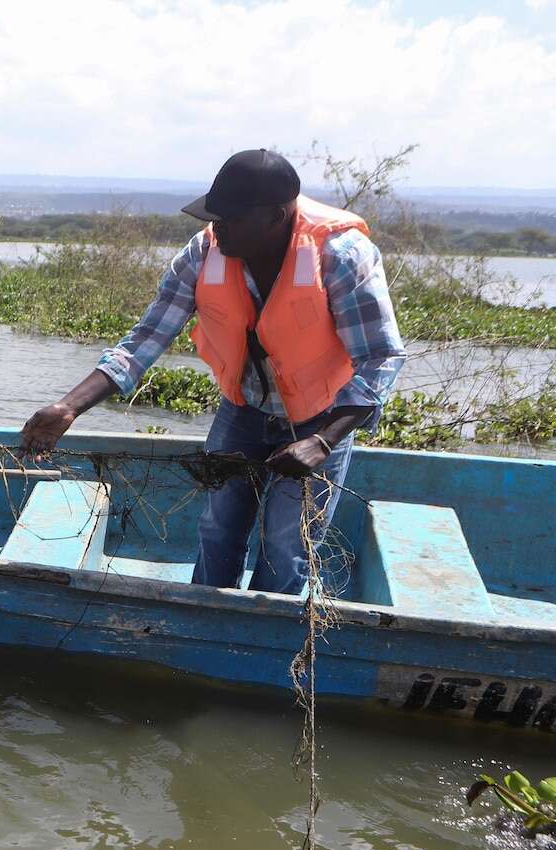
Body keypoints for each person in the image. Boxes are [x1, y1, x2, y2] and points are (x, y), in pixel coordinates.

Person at [21, 149, 405, 595]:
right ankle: (202, 619)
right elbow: (145, 340)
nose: (217, 226)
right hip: (244, 409)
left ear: (276, 216)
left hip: (322, 417)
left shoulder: (340, 254)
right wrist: (68, 407)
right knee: (218, 528)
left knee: (287, 544)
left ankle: (262, 638)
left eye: (231, 218)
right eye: (215, 216)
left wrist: (322, 441)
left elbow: (381, 356)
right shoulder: (205, 253)